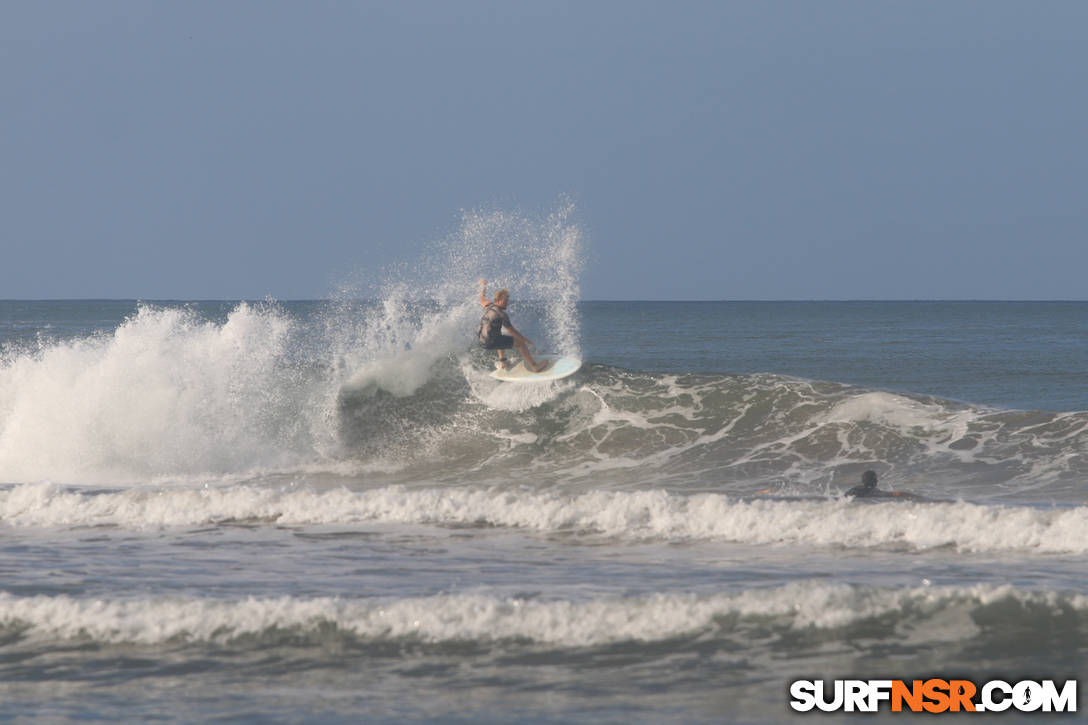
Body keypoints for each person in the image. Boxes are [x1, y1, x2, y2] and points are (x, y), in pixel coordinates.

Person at [478, 279, 546, 372]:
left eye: (507, 301)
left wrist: (483, 286)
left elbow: (481, 297)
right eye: (505, 301)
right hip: (490, 342)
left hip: (481, 341)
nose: (507, 303)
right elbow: (512, 331)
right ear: (498, 300)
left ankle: (503, 361)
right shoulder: (502, 314)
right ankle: (535, 366)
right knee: (520, 343)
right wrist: (525, 340)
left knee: (498, 334)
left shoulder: (488, 305)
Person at [844, 470, 927, 501]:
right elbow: (897, 494)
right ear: (875, 481)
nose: (877, 480)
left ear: (862, 481)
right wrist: (917, 497)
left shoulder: (854, 489)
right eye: (875, 479)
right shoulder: (874, 491)